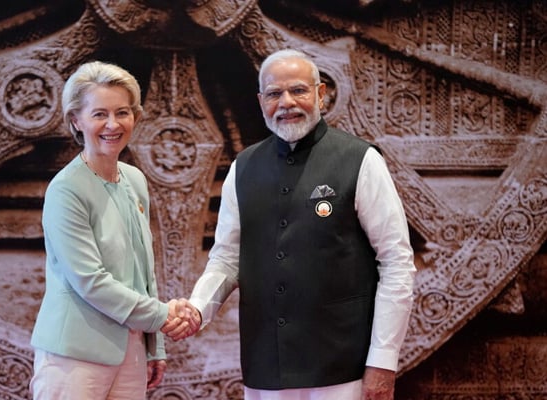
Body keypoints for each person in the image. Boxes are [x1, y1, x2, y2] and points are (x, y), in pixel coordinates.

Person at [166, 49, 416, 400]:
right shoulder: (244, 167)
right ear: (260, 100)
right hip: (265, 365)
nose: (286, 102)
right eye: (274, 94)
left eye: (298, 90)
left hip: (342, 366)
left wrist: (383, 360)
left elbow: (396, 262)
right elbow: (226, 259)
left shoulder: (361, 160)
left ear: (321, 94)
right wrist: (197, 307)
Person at [29, 60, 194, 399]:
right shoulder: (66, 190)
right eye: (99, 114)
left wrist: (153, 347)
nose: (113, 124)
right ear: (76, 119)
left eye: (123, 112)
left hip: (131, 352)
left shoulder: (134, 179)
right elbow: (90, 280)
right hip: (74, 357)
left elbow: (143, 274)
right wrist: (163, 316)